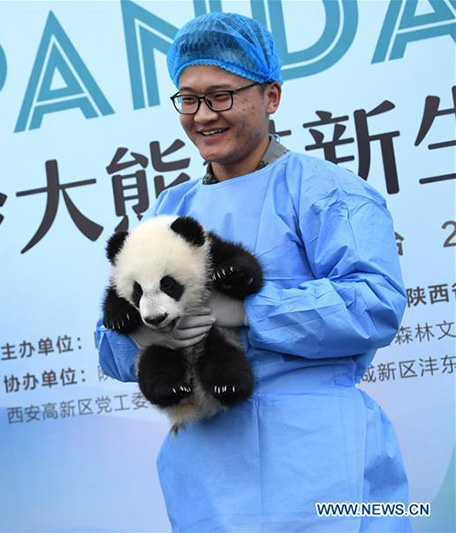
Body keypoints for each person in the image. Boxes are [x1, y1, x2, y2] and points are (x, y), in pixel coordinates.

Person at [96, 13, 411, 531]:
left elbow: (374, 304)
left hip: (318, 460)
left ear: (271, 97)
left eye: (221, 95)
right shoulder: (170, 209)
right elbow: (112, 346)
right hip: (206, 473)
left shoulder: (324, 191)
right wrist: (145, 327)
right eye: (189, 98)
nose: (202, 115)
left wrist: (246, 309)